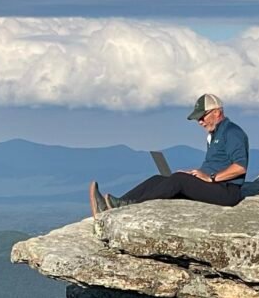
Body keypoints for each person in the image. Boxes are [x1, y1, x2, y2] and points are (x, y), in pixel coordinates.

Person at [89, 93, 249, 217]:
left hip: (226, 191)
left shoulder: (232, 132)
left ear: (217, 112)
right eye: (198, 119)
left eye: (202, 116)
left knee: (178, 180)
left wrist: (210, 178)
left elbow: (240, 167)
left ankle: (127, 208)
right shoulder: (215, 133)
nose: (200, 122)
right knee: (159, 179)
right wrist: (196, 176)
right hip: (215, 185)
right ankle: (116, 204)